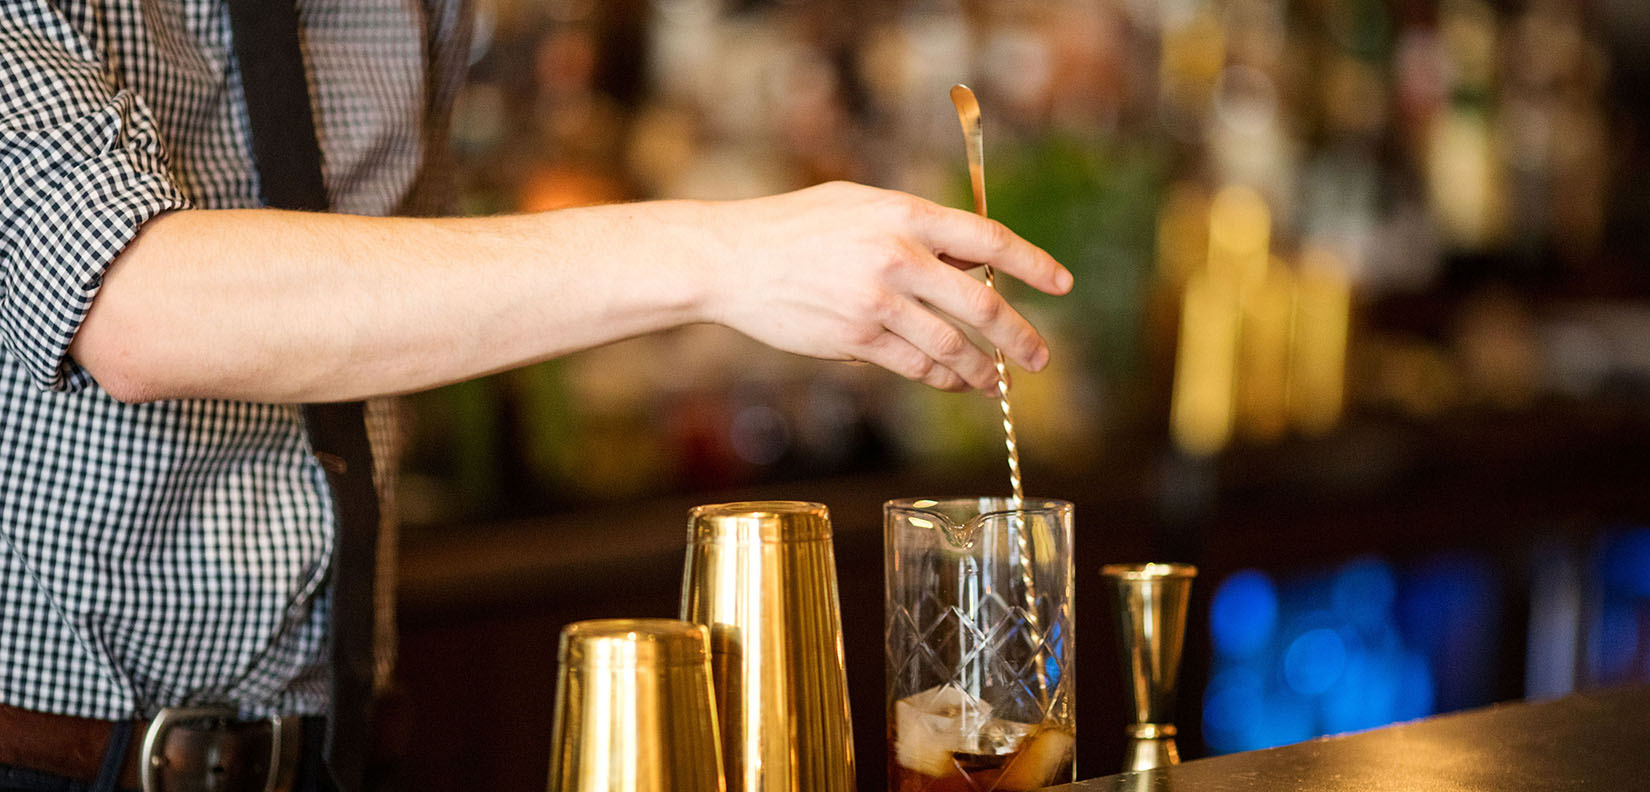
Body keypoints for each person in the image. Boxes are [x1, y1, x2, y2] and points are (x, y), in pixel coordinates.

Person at [0, 1, 1072, 791]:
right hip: (50, 755)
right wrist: (721, 249)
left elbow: (422, 289)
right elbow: (135, 303)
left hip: (341, 743)